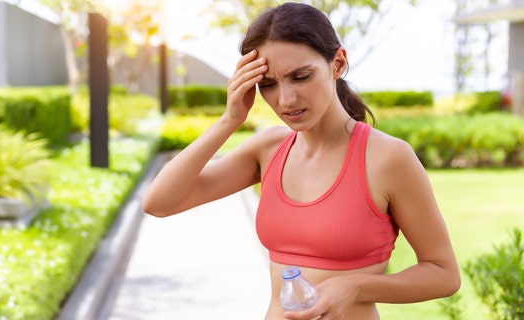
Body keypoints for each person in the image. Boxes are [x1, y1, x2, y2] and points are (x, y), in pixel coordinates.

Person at [142, 2, 460, 319]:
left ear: (338, 63)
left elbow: (443, 273)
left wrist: (356, 287)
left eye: (301, 76)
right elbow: (159, 202)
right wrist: (229, 120)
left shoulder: (386, 158)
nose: (286, 100)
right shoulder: (268, 150)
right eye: (268, 84)